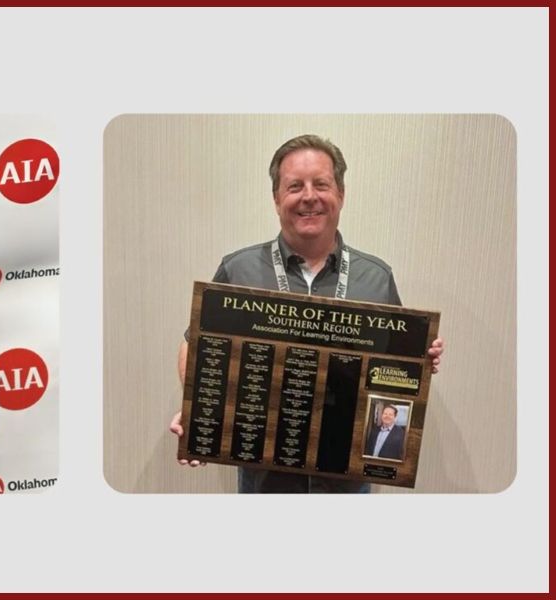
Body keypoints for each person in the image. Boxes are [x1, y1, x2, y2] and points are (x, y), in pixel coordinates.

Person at [169, 134, 444, 493]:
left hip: (346, 486)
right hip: (264, 484)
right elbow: (194, 345)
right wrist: (201, 409)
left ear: (341, 193)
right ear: (276, 198)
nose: (309, 196)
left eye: (321, 184)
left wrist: (420, 361)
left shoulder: (377, 278)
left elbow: (394, 369)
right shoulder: (238, 270)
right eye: (295, 186)